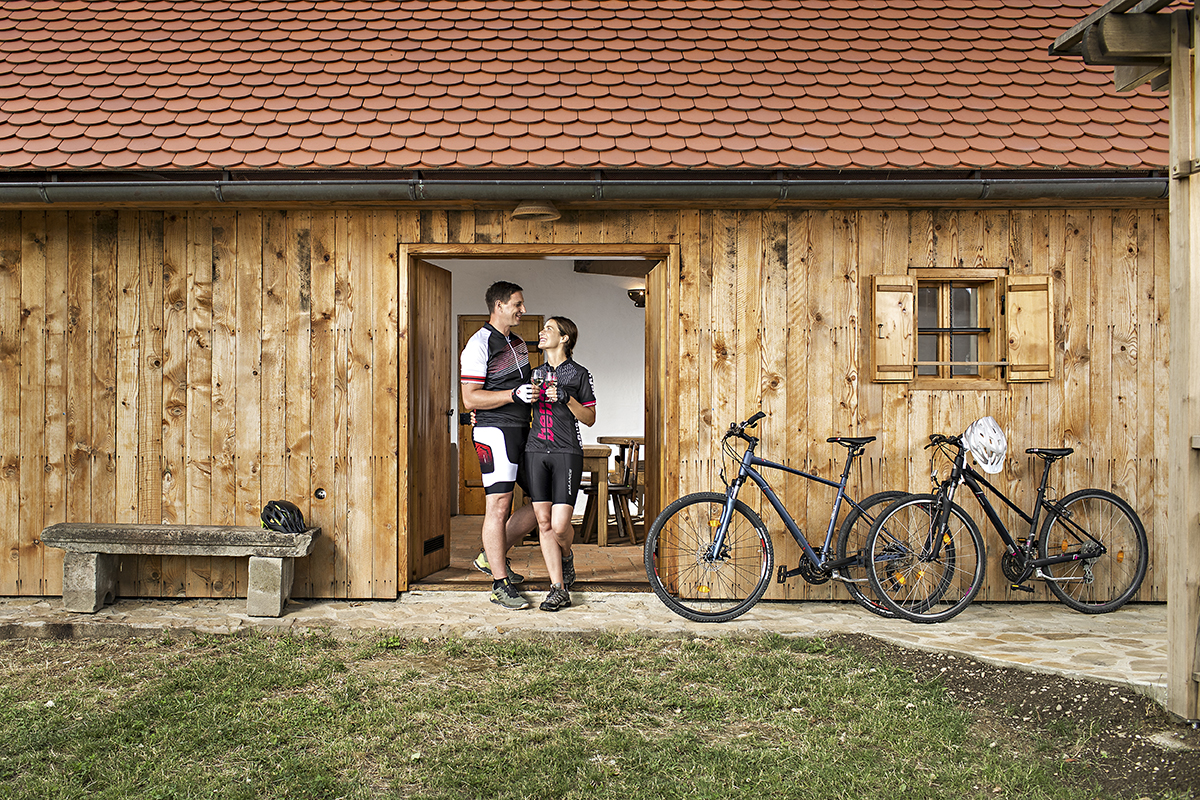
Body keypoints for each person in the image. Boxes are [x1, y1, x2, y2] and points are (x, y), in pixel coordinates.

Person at [460, 281, 539, 609]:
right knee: (499, 505)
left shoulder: (517, 342)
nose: (522, 309)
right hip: (494, 432)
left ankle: (487, 556)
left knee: (545, 499)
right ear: (499, 306)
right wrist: (512, 395)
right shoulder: (478, 344)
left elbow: (521, 386)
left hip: (523, 430)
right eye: (517, 304)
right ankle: (499, 582)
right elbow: (469, 399)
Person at [523, 316, 597, 612]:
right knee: (543, 522)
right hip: (535, 451)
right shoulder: (533, 373)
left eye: (549, 329)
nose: (542, 333)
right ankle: (558, 588)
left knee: (560, 524)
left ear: (565, 338)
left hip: (567, 451)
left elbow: (590, 418)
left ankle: (566, 556)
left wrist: (566, 398)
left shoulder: (579, 374)